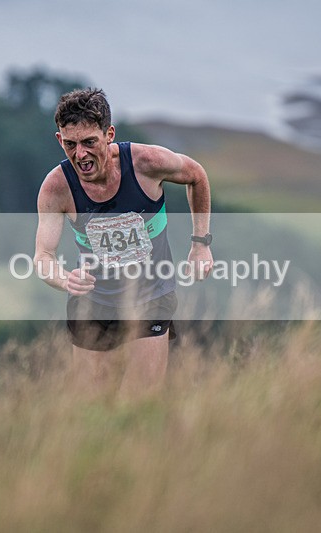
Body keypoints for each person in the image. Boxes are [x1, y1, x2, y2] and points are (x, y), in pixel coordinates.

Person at [34, 88, 213, 400]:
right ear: (59, 140)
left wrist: (200, 244)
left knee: (140, 403)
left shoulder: (146, 163)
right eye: (71, 144)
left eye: (89, 142)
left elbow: (196, 175)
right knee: (93, 406)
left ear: (109, 135)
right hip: (93, 304)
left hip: (151, 297)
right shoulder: (56, 188)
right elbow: (43, 256)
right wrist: (64, 279)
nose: (80, 155)